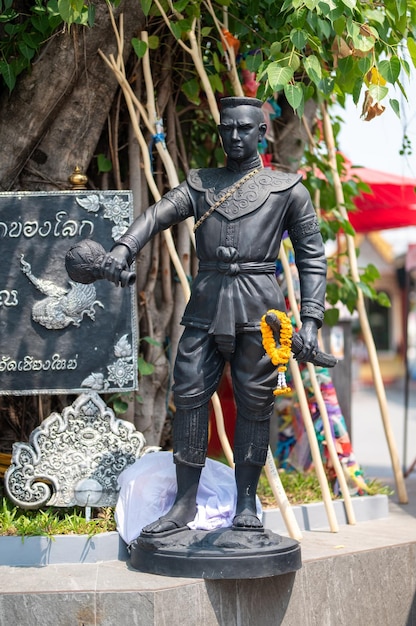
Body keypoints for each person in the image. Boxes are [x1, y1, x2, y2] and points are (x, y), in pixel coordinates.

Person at [101, 96, 327, 533]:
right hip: (205, 305)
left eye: (245, 129)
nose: (234, 137)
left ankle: (246, 503)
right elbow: (156, 215)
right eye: (227, 128)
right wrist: (124, 248)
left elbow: (312, 257)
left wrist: (312, 322)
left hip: (260, 309)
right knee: (188, 399)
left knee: (254, 406)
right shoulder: (200, 184)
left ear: (263, 133)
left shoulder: (288, 189)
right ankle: (183, 505)